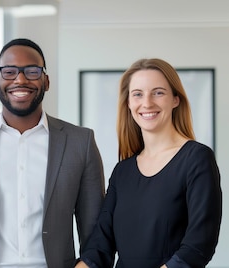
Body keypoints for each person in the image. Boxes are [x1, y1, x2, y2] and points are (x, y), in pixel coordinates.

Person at [0, 38, 106, 268]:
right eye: (9, 71)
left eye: (32, 71)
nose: (20, 79)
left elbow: (95, 231)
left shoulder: (80, 142)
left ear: (46, 81)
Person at [76, 58, 222, 268]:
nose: (147, 103)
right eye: (138, 94)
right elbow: (101, 244)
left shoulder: (197, 159)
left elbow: (198, 245)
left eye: (158, 92)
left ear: (175, 99)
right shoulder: (123, 171)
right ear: (128, 103)